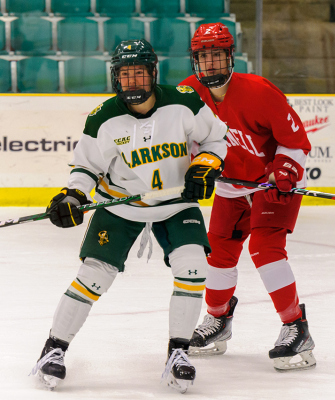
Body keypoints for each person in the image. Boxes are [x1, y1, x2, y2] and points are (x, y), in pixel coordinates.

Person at [30, 39, 228, 393]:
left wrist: (207, 165)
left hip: (176, 202)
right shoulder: (103, 118)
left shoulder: (184, 102)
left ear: (153, 73)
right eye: (124, 75)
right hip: (119, 204)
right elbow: (86, 168)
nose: (132, 82)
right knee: (94, 275)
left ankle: (179, 352)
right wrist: (73, 195)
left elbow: (215, 141)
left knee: (193, 266)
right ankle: (53, 349)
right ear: (115, 78)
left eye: (139, 73)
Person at [179, 23, 316, 371]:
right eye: (203, 57)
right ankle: (218, 319)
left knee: (265, 250)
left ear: (230, 57)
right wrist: (197, 165)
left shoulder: (259, 91)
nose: (210, 64)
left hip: (271, 184)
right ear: (196, 61)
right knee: (218, 251)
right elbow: (185, 142)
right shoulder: (188, 93)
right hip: (231, 186)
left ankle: (295, 326)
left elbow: (296, 140)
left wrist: (284, 168)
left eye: (216, 56)